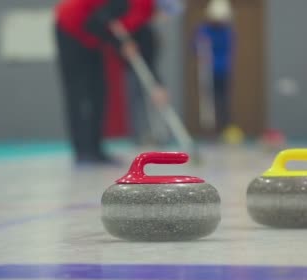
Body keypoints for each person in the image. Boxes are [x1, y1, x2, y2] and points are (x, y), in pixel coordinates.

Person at [55, 0, 155, 165]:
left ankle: (96, 149)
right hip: (71, 27)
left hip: (93, 35)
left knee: (99, 90)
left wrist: (155, 82)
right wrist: (119, 45)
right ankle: (83, 151)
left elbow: (143, 38)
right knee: (78, 93)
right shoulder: (125, 4)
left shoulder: (145, 10)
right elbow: (94, 23)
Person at [123, 0, 182, 146]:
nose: (166, 18)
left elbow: (151, 62)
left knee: (153, 101)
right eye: (165, 13)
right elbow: (145, 60)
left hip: (145, 69)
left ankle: (155, 134)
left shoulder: (148, 30)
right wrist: (158, 84)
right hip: (135, 68)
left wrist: (158, 84)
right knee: (138, 102)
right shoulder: (141, 27)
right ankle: (141, 136)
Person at [195, 0, 235, 136]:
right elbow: (195, 46)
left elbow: (227, 48)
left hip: (222, 71)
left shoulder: (227, 31)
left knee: (222, 100)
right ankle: (209, 131)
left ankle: (224, 129)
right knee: (208, 103)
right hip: (207, 71)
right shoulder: (203, 29)